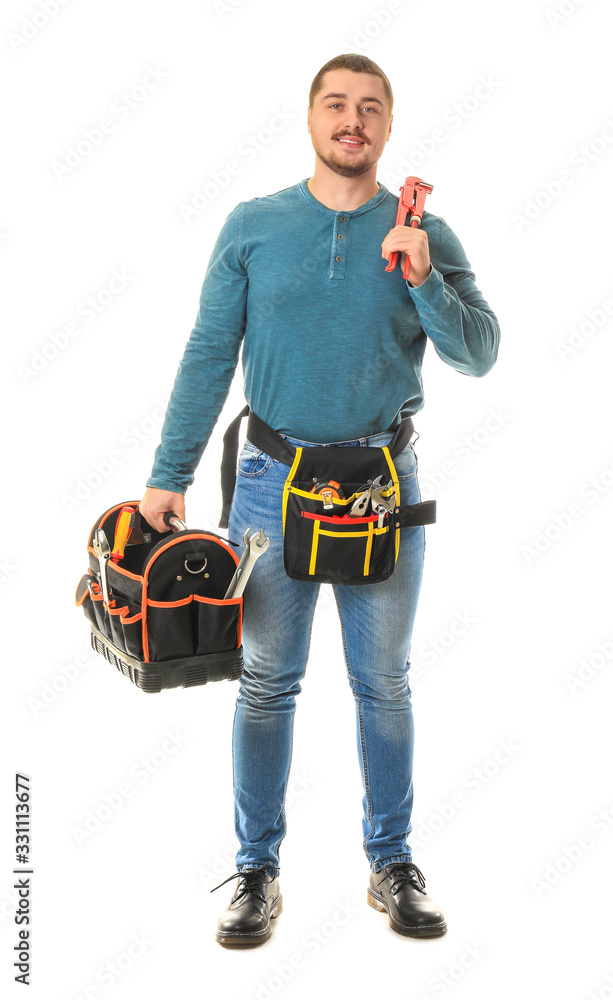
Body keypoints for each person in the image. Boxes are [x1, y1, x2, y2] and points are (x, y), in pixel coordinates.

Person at [139, 52, 500, 946]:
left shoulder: (425, 232)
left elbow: (481, 352)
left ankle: (391, 863)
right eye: (336, 105)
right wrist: (168, 473)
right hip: (269, 484)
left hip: (380, 484)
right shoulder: (254, 226)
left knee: (383, 683)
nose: (353, 121)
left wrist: (422, 277)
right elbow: (207, 353)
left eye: (370, 108)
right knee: (264, 684)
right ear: (310, 120)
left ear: (387, 126)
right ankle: (256, 873)